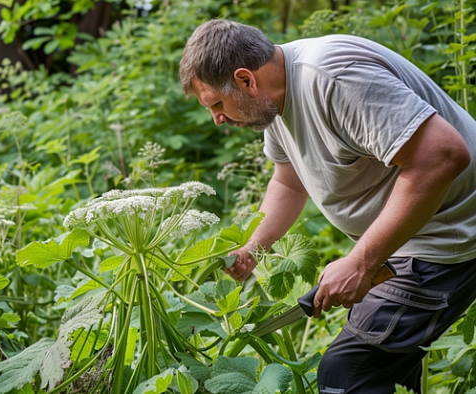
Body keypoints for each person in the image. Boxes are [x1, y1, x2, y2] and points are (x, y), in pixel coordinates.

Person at [179, 19, 476, 393]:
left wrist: (361, 262)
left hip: (446, 235)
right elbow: (289, 181)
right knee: (387, 369)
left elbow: (442, 156)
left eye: (217, 104)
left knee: (346, 373)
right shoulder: (272, 99)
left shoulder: (333, 78)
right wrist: (254, 247)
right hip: (404, 237)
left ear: (245, 80)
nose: (218, 118)